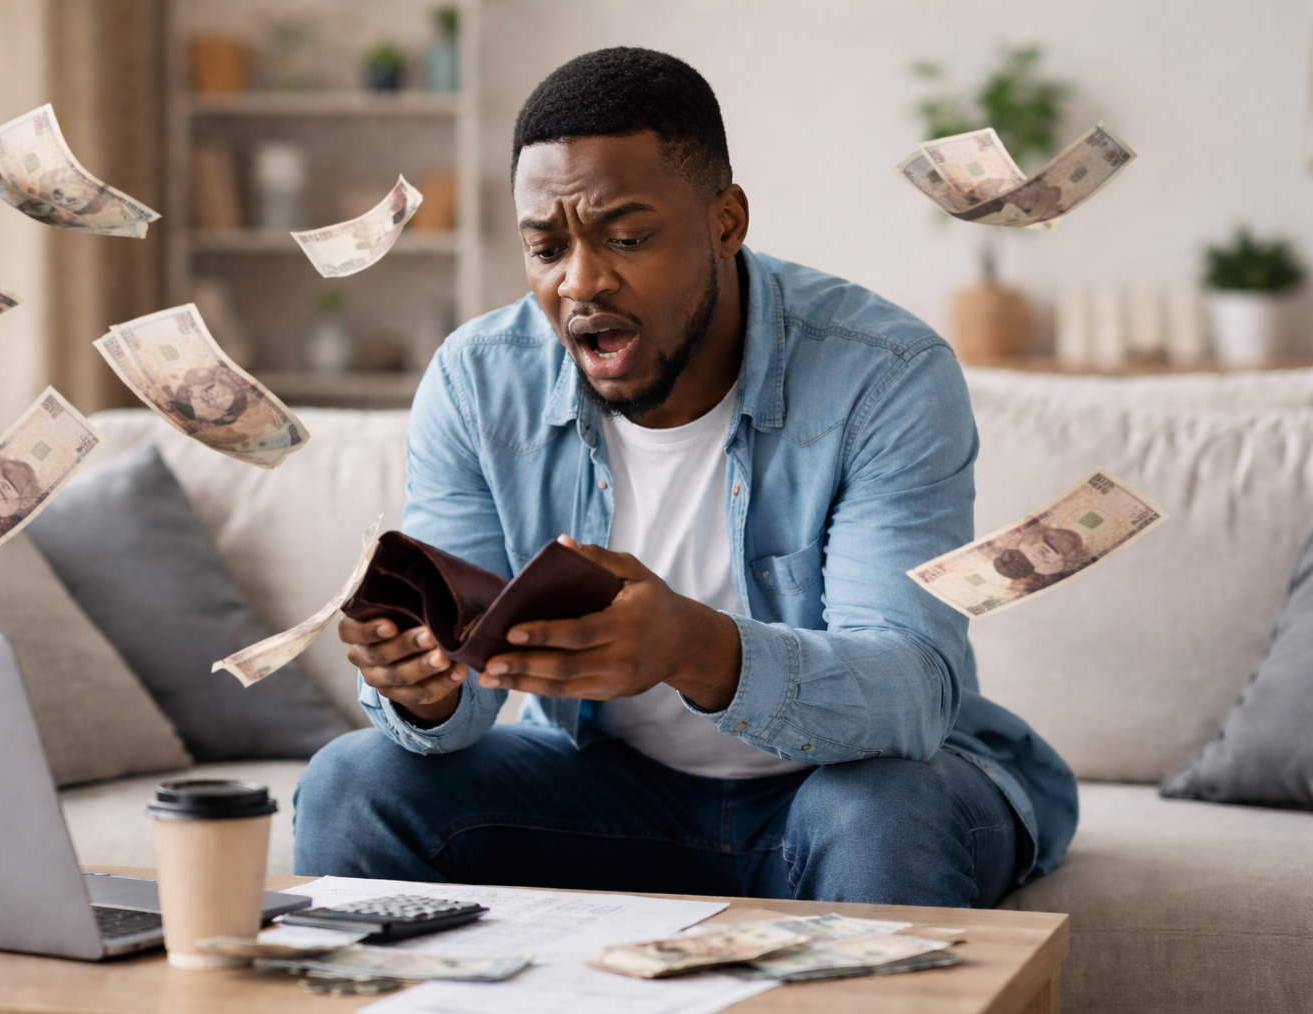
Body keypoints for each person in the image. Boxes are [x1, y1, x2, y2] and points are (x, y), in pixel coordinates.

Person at [294, 47, 1078, 909]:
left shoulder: (884, 374)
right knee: (352, 783)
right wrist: (423, 688)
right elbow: (465, 704)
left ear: (725, 222)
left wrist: (692, 647)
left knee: (876, 814)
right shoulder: (478, 382)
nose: (580, 281)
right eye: (546, 246)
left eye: (626, 237)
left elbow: (913, 691)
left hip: (850, 789)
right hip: (616, 789)